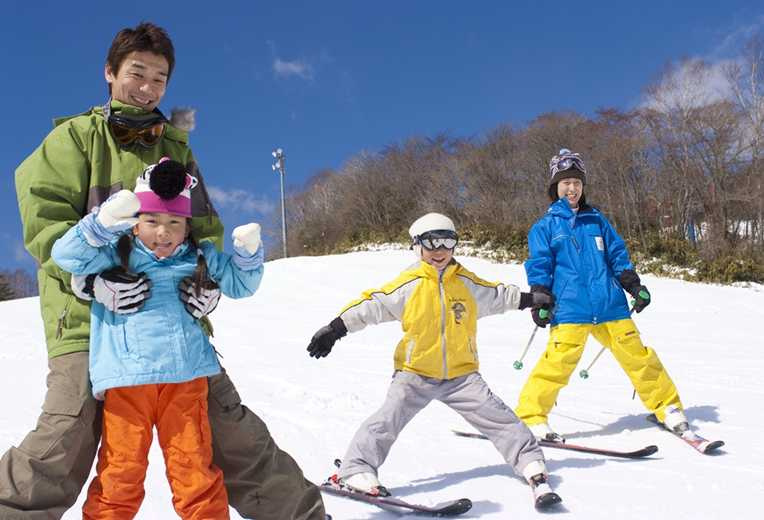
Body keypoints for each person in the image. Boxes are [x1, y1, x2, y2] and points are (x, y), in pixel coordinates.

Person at [6, 22, 325, 520]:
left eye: (159, 78)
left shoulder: (174, 147)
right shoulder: (73, 139)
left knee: (228, 426)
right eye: (137, 73)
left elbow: (205, 227)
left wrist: (206, 282)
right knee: (67, 432)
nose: (147, 86)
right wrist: (89, 280)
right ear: (110, 73)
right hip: (88, 320)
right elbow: (46, 223)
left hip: (171, 321)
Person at [51, 159, 263, 519]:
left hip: (185, 381)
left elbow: (242, 286)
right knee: (120, 472)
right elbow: (65, 255)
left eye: (173, 223)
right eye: (151, 221)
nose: (162, 233)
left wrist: (247, 253)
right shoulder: (115, 253)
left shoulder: (200, 257)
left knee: (194, 471)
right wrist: (102, 223)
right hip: (127, 381)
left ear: (186, 226)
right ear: (134, 223)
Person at [306, 212, 561, 507]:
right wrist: (335, 329)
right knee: (387, 420)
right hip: (414, 373)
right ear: (417, 246)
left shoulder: (467, 283)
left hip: (462, 376)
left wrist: (532, 300)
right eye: (431, 243)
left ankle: (533, 467)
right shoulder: (408, 285)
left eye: (447, 242)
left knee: (501, 419)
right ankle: (355, 470)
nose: (439, 252)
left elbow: (499, 295)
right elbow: (372, 305)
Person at [515, 148, 688, 441]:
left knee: (639, 358)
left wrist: (634, 286)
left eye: (577, 183)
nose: (572, 188)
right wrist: (540, 296)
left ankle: (667, 408)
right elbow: (540, 264)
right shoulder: (544, 227)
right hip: (570, 308)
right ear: (555, 187)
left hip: (611, 306)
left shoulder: (598, 221)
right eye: (566, 182)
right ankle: (531, 417)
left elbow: (618, 256)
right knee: (556, 365)